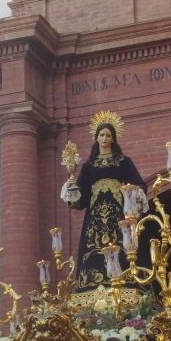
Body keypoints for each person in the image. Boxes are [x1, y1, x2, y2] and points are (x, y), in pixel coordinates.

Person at [61, 112, 147, 291]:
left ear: (114, 139)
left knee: (122, 246)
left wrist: (133, 193)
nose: (105, 138)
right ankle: (91, 285)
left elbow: (139, 183)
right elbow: (82, 198)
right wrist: (71, 189)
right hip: (95, 217)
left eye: (108, 135)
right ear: (96, 138)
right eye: (101, 135)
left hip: (118, 214)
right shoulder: (89, 165)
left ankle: (124, 281)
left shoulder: (123, 162)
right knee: (94, 249)